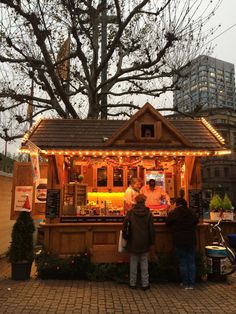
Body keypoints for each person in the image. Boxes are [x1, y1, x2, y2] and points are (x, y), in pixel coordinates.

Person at [123, 194, 155, 290]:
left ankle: (132, 283)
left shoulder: (130, 212)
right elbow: (151, 229)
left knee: (133, 261)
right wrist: (152, 241)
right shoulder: (148, 213)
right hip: (144, 240)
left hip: (133, 240)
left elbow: (125, 225)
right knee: (144, 262)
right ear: (144, 201)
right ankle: (145, 284)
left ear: (136, 201)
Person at [166, 197, 199, 289]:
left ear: (176, 204)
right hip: (191, 240)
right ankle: (191, 284)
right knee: (191, 262)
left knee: (183, 262)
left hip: (179, 240)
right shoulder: (191, 212)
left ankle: (185, 283)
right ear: (186, 204)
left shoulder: (174, 213)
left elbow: (167, 222)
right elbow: (196, 221)